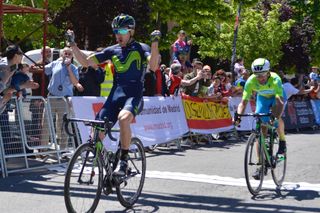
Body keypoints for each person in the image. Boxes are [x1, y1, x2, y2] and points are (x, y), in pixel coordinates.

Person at [69, 14, 160, 176]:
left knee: (123, 119)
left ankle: (124, 160)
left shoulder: (141, 48)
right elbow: (85, 62)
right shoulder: (112, 50)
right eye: (116, 30)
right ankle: (109, 163)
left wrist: (154, 44)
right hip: (114, 96)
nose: (119, 34)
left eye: (123, 30)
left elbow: (153, 67)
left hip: (134, 96)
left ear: (131, 31)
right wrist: (73, 44)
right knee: (95, 134)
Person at [235, 58, 285, 180]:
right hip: (262, 98)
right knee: (260, 131)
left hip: (276, 98)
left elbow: (280, 103)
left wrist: (275, 117)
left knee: (276, 118)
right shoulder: (251, 81)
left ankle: (282, 141)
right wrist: (238, 117)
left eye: (262, 75)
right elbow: (243, 102)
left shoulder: (275, 79)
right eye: (257, 75)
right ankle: (261, 164)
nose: (260, 78)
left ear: (268, 72)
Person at [44, 47, 84, 150]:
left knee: (64, 125)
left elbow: (75, 82)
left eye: (69, 54)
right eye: (65, 53)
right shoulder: (54, 64)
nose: (67, 55)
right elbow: (44, 69)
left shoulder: (74, 68)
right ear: (62, 55)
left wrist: (69, 68)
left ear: (72, 57)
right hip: (51, 97)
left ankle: (62, 149)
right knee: (45, 123)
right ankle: (42, 149)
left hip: (64, 99)